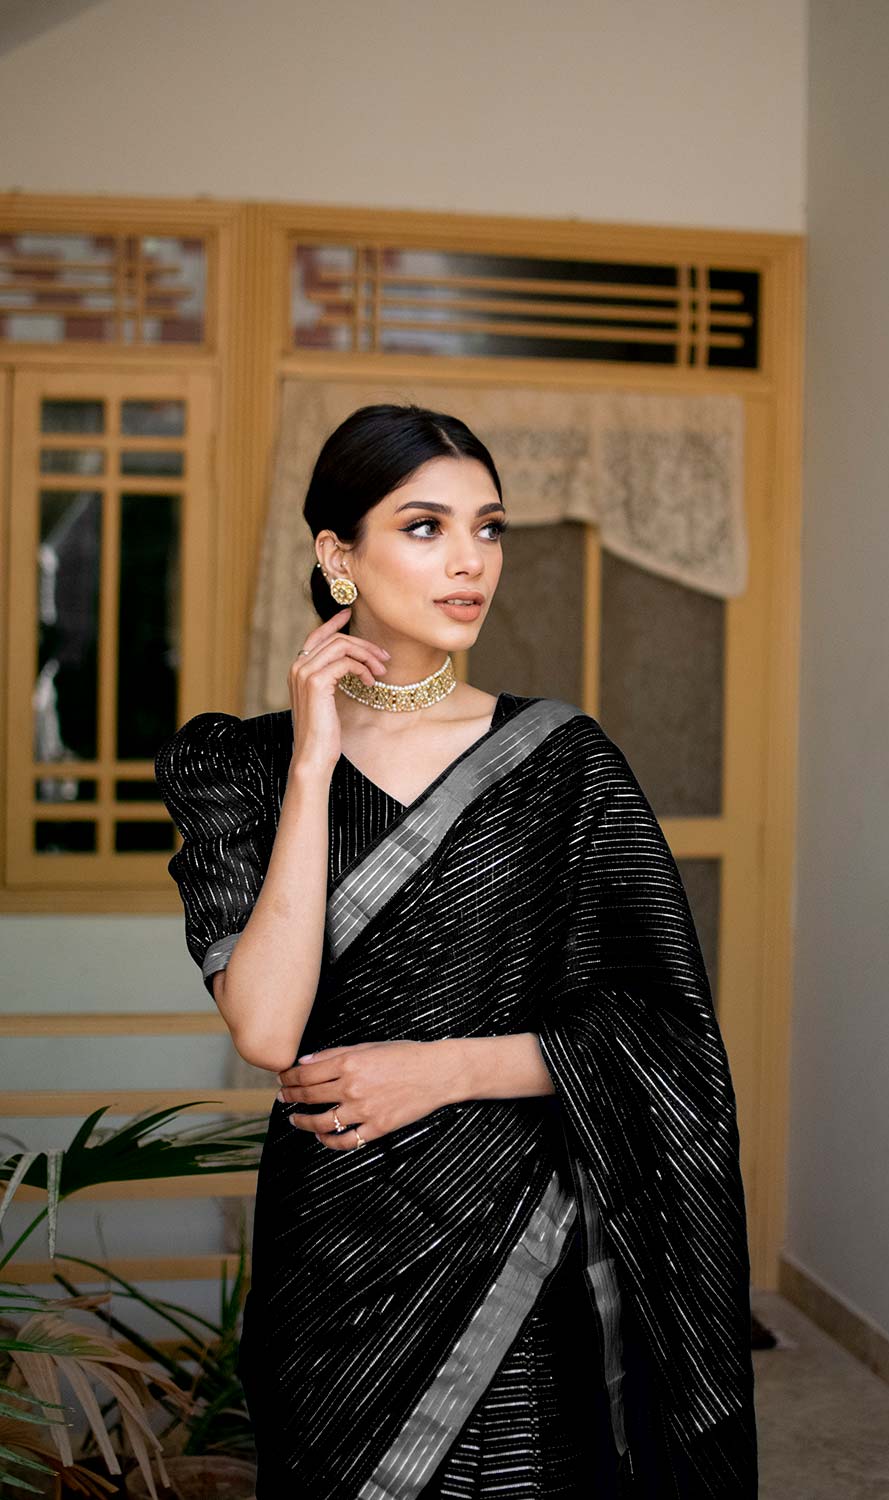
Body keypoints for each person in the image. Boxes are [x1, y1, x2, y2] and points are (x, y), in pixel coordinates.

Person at [154, 403, 758, 1498]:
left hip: (517, 1234)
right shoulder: (236, 767)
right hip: (331, 1245)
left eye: (488, 527)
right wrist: (311, 766)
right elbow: (268, 1029)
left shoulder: (563, 764)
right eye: (425, 526)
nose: (470, 560)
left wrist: (445, 1070)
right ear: (339, 556)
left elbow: (663, 1036)